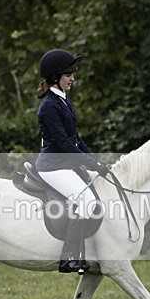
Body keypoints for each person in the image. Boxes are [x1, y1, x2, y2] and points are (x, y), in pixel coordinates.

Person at [35, 49, 109, 274]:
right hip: (52, 166)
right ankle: (67, 258)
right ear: (56, 77)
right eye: (69, 74)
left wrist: (94, 161)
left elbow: (76, 138)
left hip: (65, 164)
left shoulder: (64, 100)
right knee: (87, 200)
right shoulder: (48, 106)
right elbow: (64, 145)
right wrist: (90, 164)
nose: (73, 78)